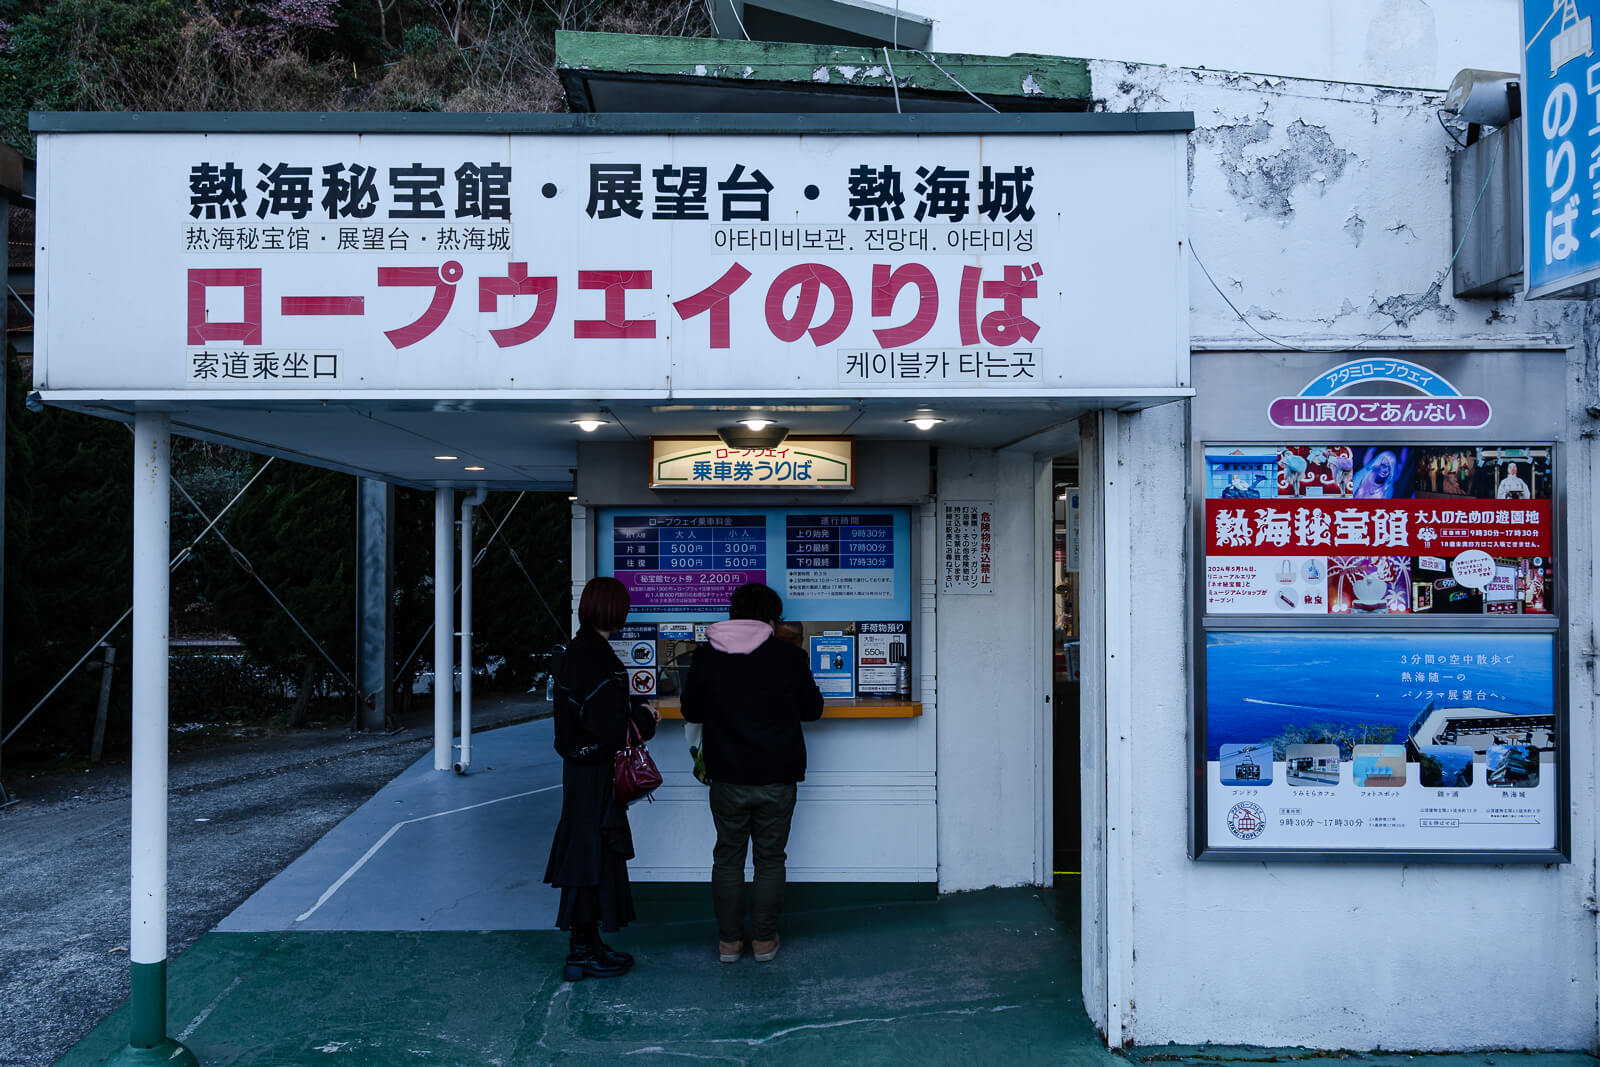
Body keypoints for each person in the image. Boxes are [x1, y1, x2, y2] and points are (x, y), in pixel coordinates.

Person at [680, 582, 823, 964]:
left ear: (733, 615)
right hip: (778, 775)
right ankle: (763, 942)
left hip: (727, 776)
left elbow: (691, 711)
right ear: (772, 620)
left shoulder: (707, 657)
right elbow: (813, 710)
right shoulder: (789, 656)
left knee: (728, 858)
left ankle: (729, 943)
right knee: (770, 859)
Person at [544, 576, 660, 981]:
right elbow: (610, 728)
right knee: (590, 857)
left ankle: (588, 945)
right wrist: (646, 718)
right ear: (614, 610)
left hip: (582, 772)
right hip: (594, 776)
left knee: (586, 855)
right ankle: (581, 952)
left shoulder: (579, 651)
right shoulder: (594, 657)